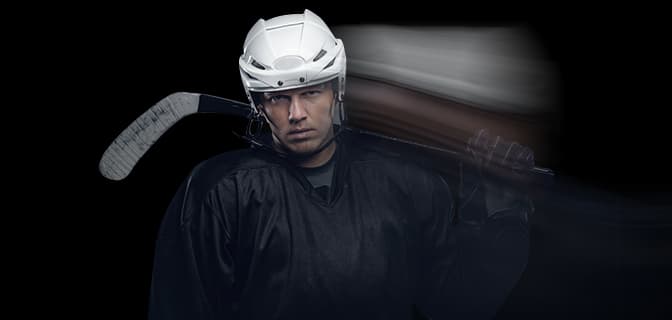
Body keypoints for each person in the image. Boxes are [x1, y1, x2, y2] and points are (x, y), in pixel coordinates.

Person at [148, 9, 532, 320]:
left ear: (336, 90)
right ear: (258, 103)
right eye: (278, 98)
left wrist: (503, 212)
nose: (296, 113)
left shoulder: (406, 184)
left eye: (311, 91)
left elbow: (455, 305)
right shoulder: (220, 190)